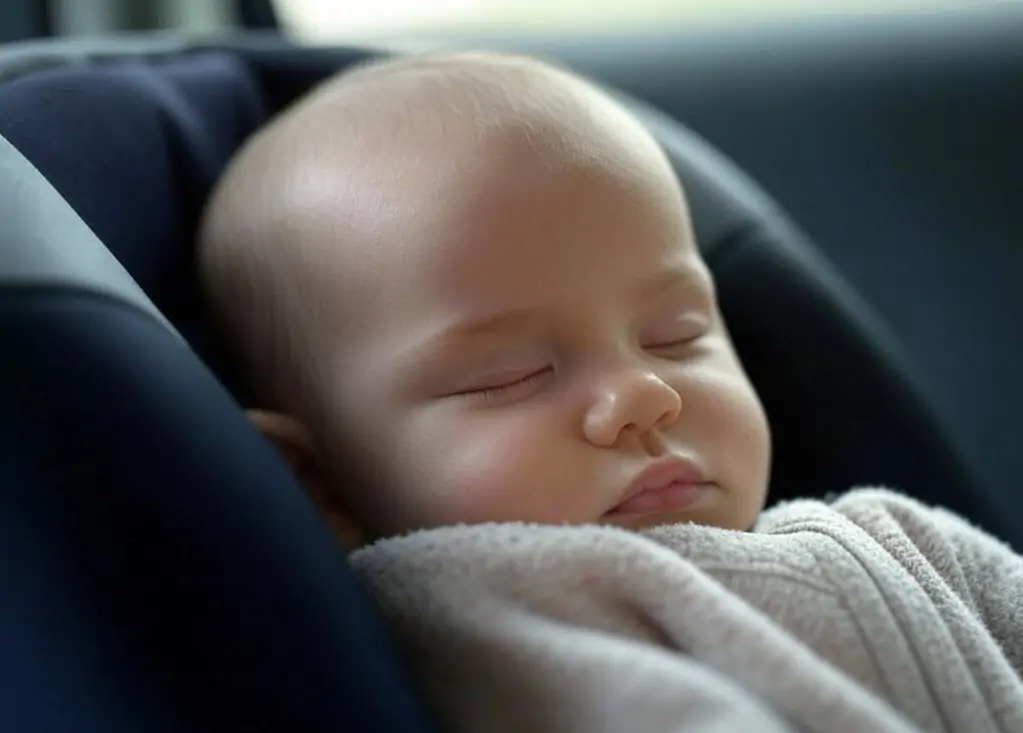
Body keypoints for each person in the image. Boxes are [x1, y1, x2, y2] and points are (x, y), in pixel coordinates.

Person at [198, 52, 1023, 733]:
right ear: (322, 485)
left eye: (676, 334)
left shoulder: (902, 536)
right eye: (510, 376)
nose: (645, 394)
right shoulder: (482, 616)